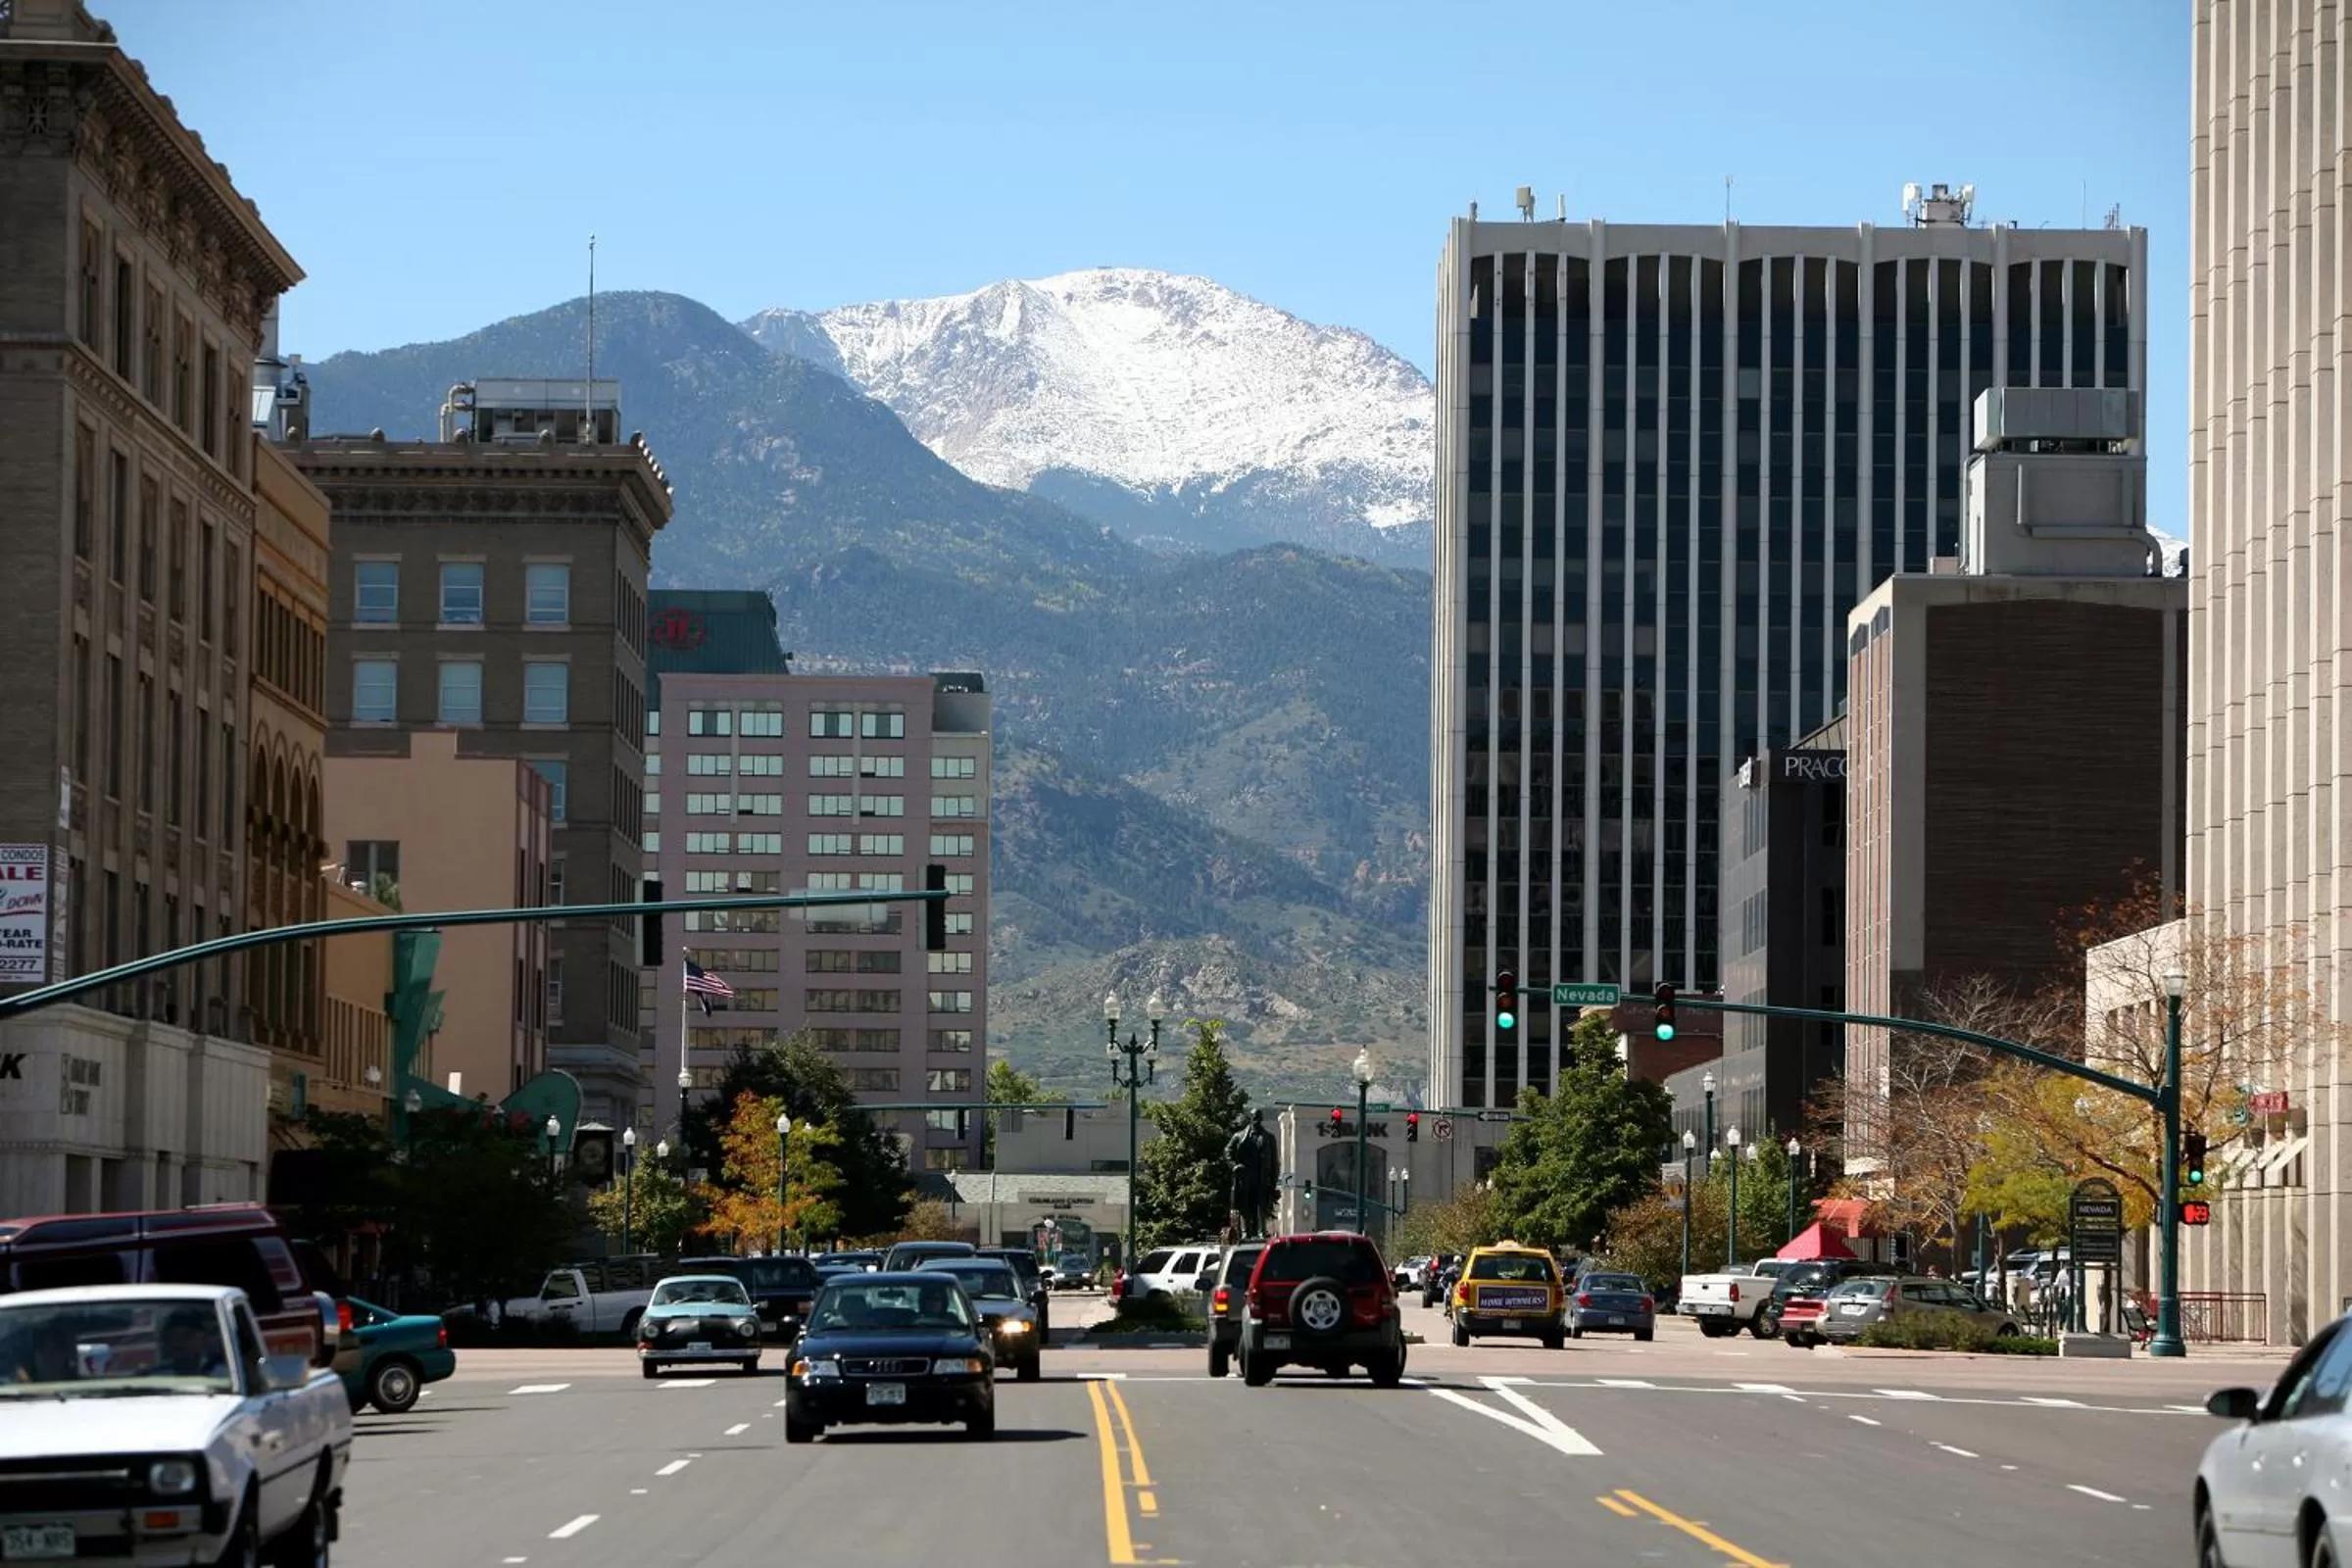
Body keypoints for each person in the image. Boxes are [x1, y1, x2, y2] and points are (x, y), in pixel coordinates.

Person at [158, 1307, 229, 1379]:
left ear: (203, 1339)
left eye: (187, 1336)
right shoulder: (158, 1376)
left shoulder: (225, 1375)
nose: (181, 1343)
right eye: (174, 1336)